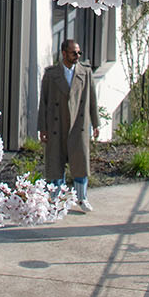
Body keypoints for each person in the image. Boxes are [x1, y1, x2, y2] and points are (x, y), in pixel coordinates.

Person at [37, 38, 100, 213]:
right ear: (64, 53)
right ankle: (55, 200)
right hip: (56, 126)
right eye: (74, 53)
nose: (77, 56)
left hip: (78, 126)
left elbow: (91, 100)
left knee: (80, 163)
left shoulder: (85, 72)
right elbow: (44, 102)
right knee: (55, 165)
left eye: (79, 52)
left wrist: (95, 124)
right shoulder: (51, 74)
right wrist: (42, 128)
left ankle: (82, 198)